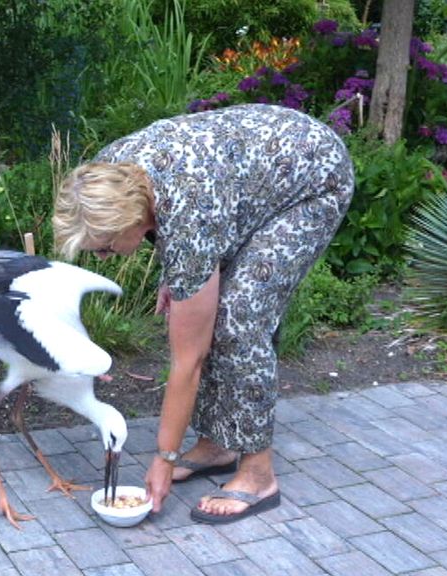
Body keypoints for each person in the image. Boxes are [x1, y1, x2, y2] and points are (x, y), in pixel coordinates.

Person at [52, 103, 354, 524]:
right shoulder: (110, 175)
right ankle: (218, 446)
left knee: (238, 319)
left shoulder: (186, 210)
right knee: (205, 306)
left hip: (311, 179)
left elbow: (187, 361)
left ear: (130, 220)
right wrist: (180, 272)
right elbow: (177, 223)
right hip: (245, 177)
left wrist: (163, 456)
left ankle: (258, 473)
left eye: (104, 246)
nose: (102, 256)